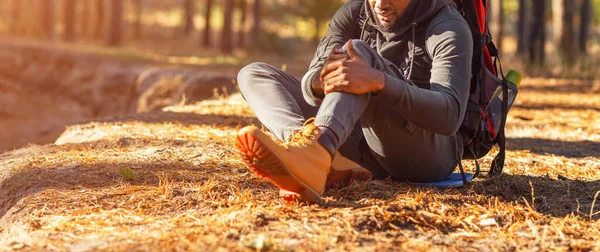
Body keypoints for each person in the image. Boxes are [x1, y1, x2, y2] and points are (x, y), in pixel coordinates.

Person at [234, 0, 473, 203]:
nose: (380, 3)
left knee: (358, 52)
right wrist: (320, 81)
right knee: (254, 73)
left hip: (425, 154)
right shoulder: (353, 14)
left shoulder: (448, 27)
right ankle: (308, 154)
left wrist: (379, 82)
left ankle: (318, 152)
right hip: (355, 139)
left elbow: (449, 116)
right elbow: (312, 81)